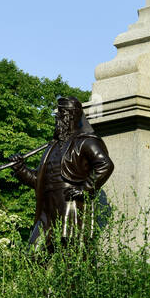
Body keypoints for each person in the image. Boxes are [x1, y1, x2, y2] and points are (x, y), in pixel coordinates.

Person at [11, 95, 113, 250]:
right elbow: (38, 181)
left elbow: (105, 165)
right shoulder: (51, 147)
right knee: (32, 256)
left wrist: (84, 189)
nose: (57, 121)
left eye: (60, 116)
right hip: (47, 210)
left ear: (71, 117)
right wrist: (20, 169)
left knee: (71, 257)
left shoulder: (86, 141)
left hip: (69, 206)